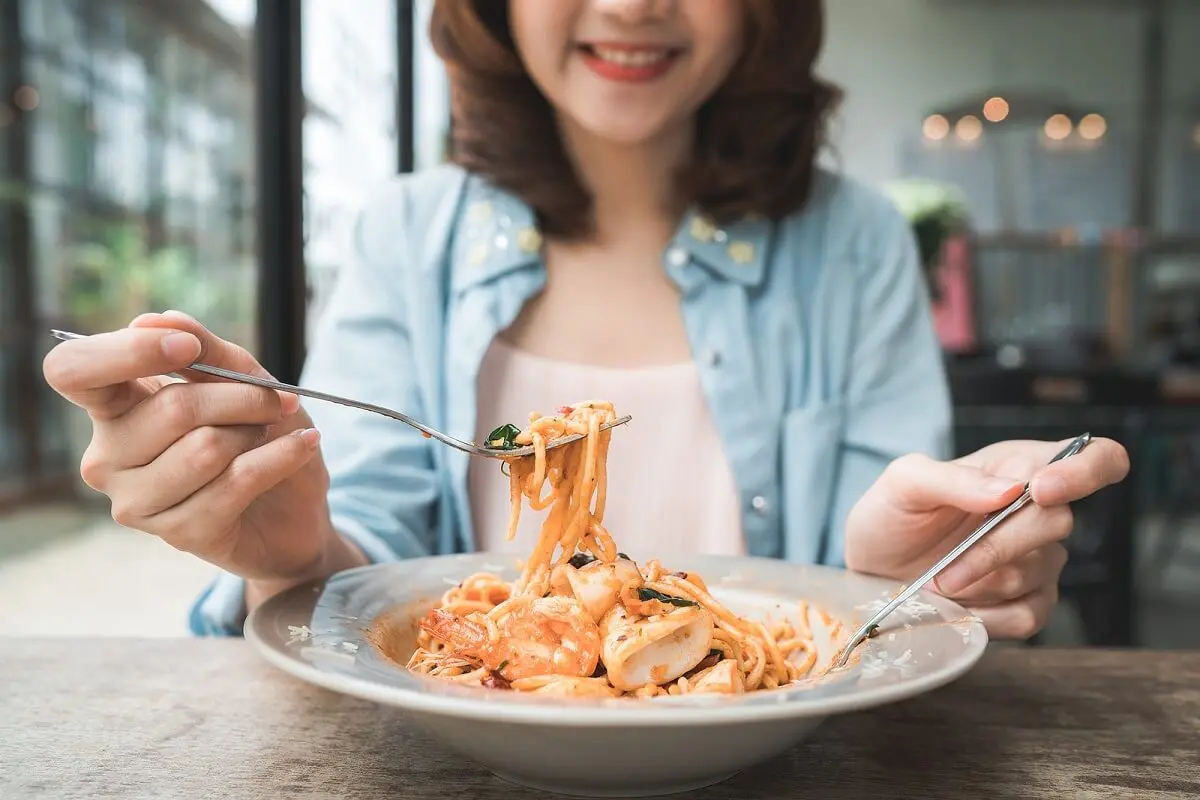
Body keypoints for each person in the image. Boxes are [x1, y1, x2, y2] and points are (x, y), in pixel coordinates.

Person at [43, 0, 1128, 640]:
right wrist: (289, 552)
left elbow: (876, 596)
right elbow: (356, 570)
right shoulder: (406, 235)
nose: (631, 3)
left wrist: (929, 570)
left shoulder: (856, 240)